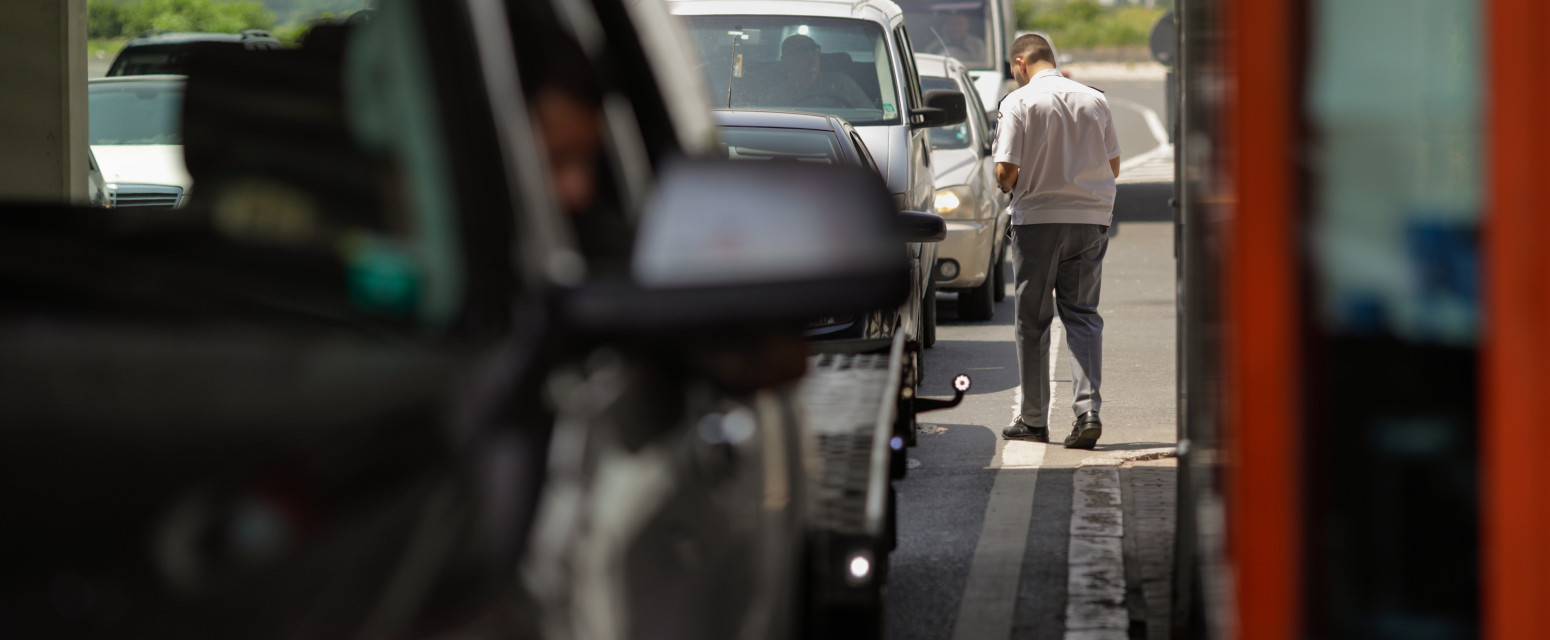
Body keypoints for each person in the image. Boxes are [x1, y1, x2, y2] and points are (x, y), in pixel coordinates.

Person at [994, 33, 1120, 449]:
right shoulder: (1094, 99)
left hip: (1038, 223)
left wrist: (1016, 180)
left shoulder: (1019, 102)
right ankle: (1088, 411)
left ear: (1020, 63)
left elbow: (1005, 172)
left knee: (1032, 321)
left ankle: (1033, 420)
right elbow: (1113, 165)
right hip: (1090, 220)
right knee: (1082, 314)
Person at [742, 34, 873, 110]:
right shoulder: (775, 96)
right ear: (785, 61)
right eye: (802, 52)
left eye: (814, 50)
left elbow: (870, 115)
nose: (811, 57)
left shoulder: (842, 85)